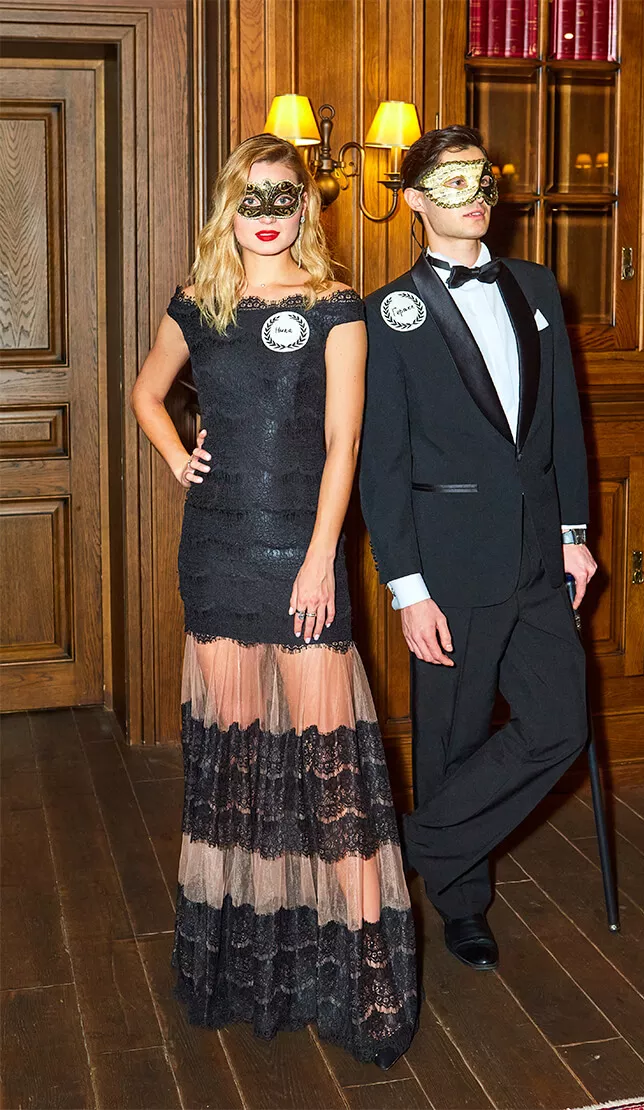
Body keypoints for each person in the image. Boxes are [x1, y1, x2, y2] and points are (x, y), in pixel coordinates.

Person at [130, 134, 417, 1068]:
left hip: (302, 551)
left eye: (282, 197)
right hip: (216, 554)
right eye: (250, 199)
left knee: (331, 769)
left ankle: (364, 981)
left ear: (305, 206)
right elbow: (146, 393)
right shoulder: (200, 301)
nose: (266, 215)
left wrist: (320, 558)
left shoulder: (337, 305)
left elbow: (343, 446)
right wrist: (178, 458)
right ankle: (253, 972)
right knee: (238, 764)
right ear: (229, 206)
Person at [360, 125, 597, 971]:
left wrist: (575, 536)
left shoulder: (534, 285)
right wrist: (408, 588)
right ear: (414, 202)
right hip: (450, 564)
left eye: (483, 178)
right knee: (452, 737)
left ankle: (416, 844)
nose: (476, 195)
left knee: (560, 724)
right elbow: (381, 464)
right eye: (453, 182)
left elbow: (563, 419)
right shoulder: (388, 312)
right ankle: (461, 904)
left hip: (539, 555)